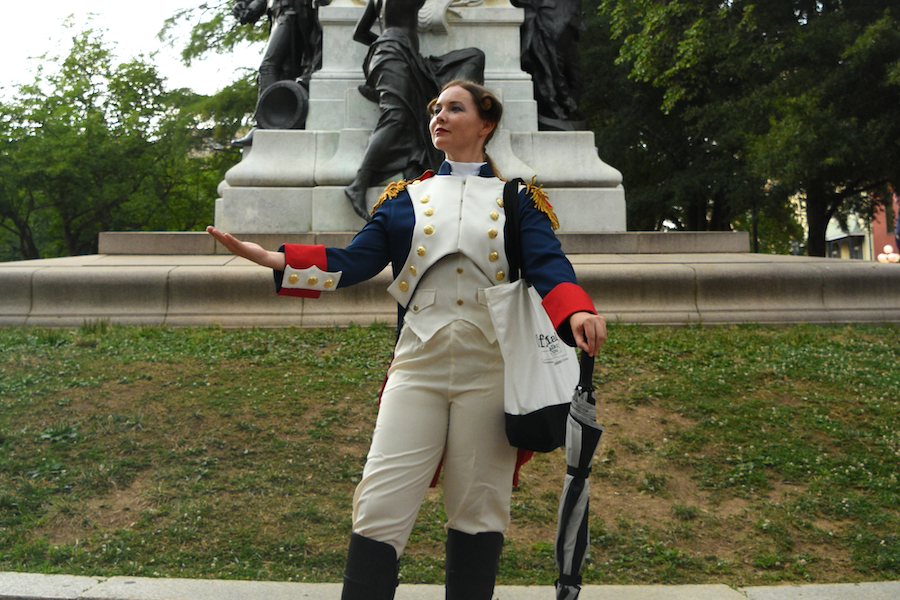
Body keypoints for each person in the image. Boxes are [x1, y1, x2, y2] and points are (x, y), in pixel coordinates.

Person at [207, 80, 607, 600]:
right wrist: (275, 260)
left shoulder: (518, 199)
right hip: (416, 366)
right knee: (379, 502)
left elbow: (549, 265)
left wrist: (575, 308)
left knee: (479, 507)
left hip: (490, 371)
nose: (438, 116)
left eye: (454, 108)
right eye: (436, 108)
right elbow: (352, 263)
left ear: (486, 123)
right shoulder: (404, 197)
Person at [344, 0, 485, 220]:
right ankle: (359, 183)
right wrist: (392, 44)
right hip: (393, 56)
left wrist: (386, 43)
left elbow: (360, 33)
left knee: (473, 57)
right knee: (396, 117)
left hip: (403, 57)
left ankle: (458, 117)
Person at [231, 0, 327, 146]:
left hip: (294, 11)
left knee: (268, 67)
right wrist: (242, 5)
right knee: (285, 72)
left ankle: (263, 125)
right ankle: (283, 121)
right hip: (279, 13)